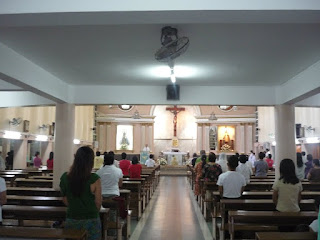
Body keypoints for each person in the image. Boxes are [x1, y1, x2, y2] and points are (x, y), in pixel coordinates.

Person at [59, 146, 102, 240]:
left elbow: (65, 200)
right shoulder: (95, 179)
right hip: (91, 218)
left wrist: (76, 206)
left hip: (72, 217)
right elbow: (98, 202)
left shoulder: (65, 178)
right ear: (91, 161)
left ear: (75, 158)